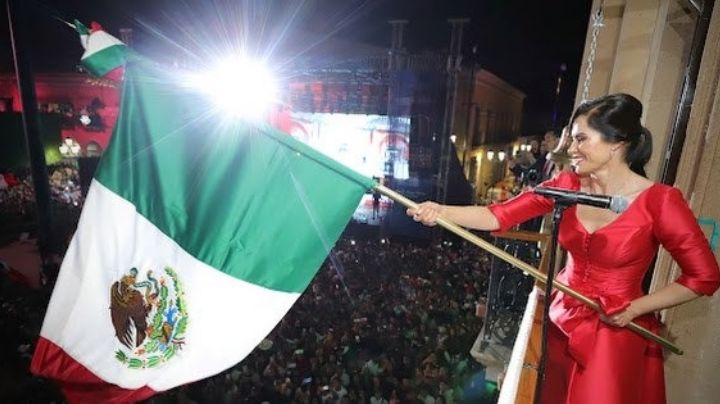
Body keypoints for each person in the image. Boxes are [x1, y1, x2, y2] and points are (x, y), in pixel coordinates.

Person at [407, 93, 720, 404]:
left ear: (616, 143)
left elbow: (704, 277)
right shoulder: (567, 186)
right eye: (572, 139)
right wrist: (442, 212)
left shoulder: (661, 201)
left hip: (614, 331)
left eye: (581, 139)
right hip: (560, 321)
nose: (571, 149)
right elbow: (498, 215)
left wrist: (636, 309)